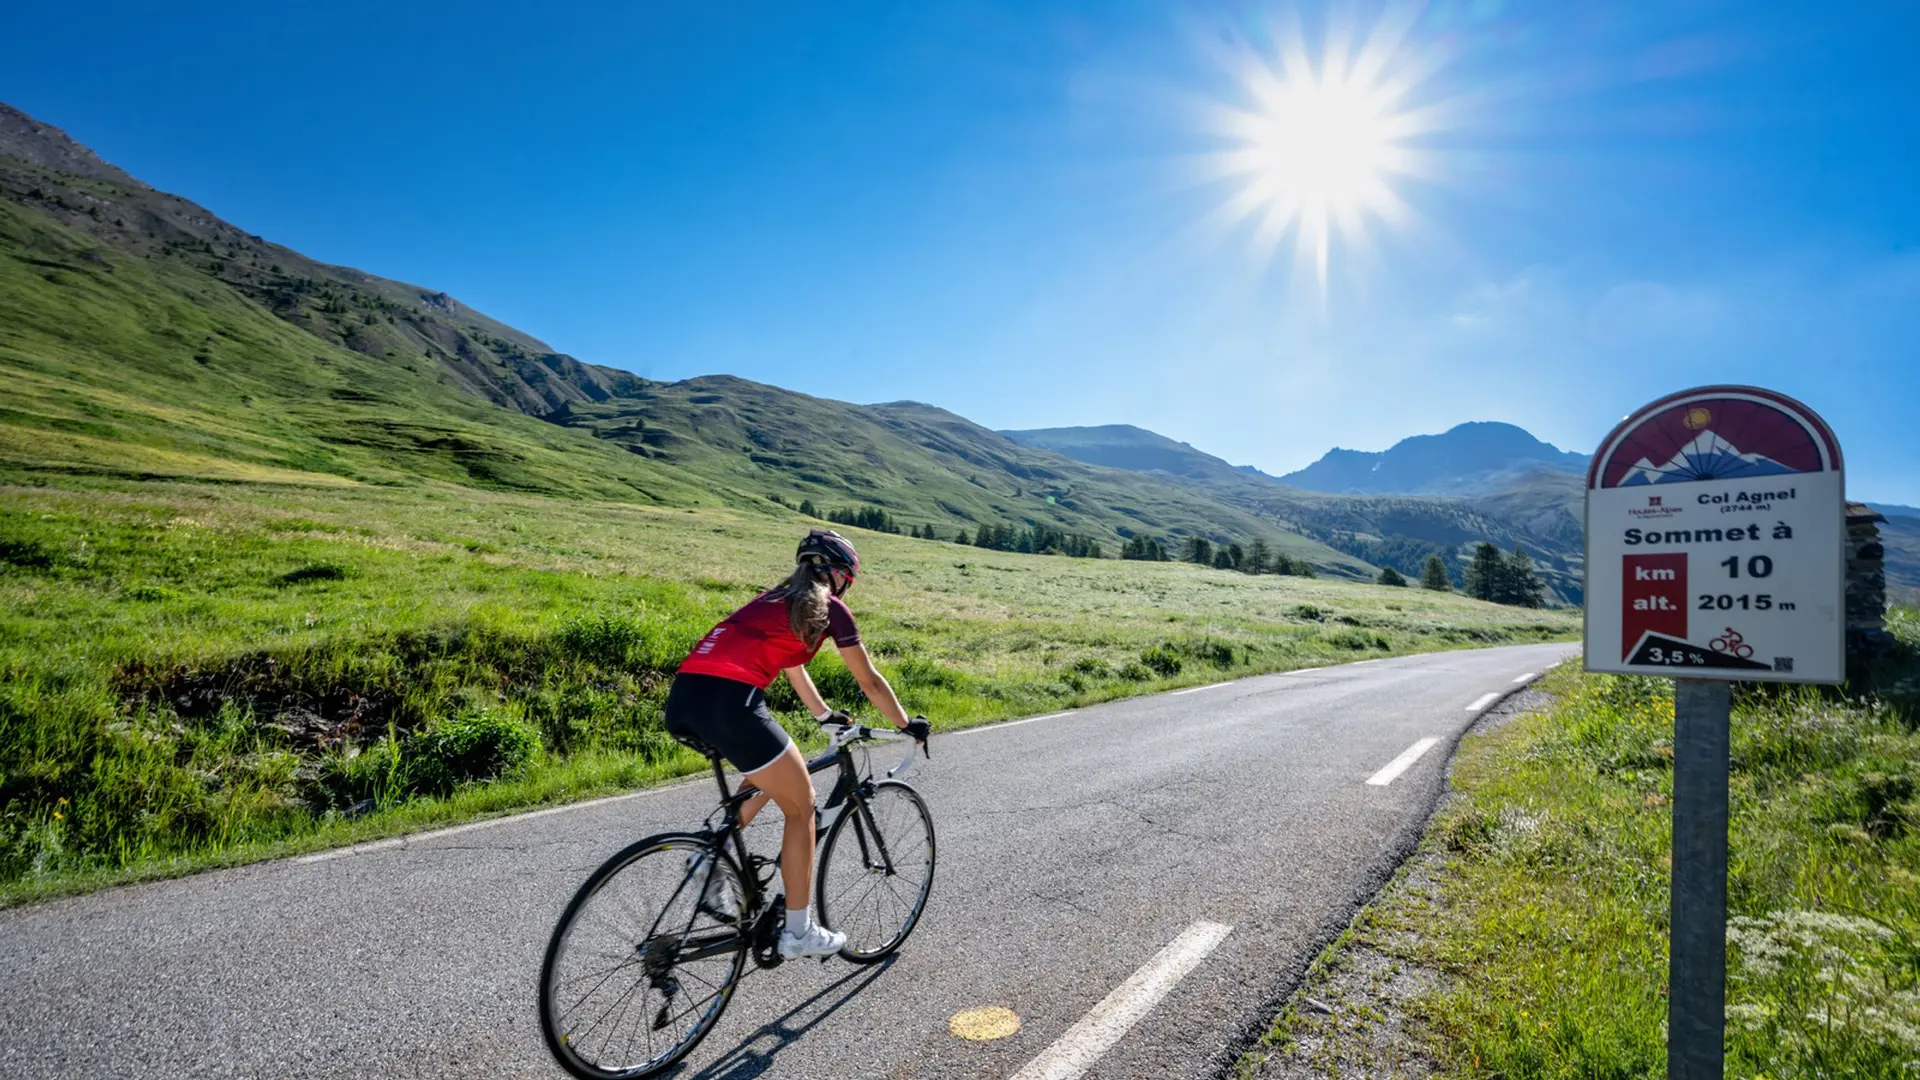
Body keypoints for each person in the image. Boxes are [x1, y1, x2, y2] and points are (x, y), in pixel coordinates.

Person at [665, 528, 925, 959]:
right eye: (848, 582)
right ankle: (800, 931)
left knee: (771, 773)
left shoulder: (773, 602)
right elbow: (870, 682)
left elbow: (791, 667)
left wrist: (822, 715)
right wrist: (906, 723)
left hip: (685, 700)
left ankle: (711, 852)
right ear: (839, 576)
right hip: (731, 701)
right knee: (801, 801)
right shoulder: (830, 609)